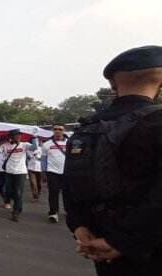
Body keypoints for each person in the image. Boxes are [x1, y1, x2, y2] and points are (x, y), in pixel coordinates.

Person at [65, 46, 162, 276]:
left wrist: (80, 226)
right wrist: (123, 241)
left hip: (97, 242)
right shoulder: (156, 123)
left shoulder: (86, 129)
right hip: (148, 248)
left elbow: (70, 185)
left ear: (113, 85)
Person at [2, 129, 37, 222]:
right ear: (11, 136)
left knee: (18, 192)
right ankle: (19, 205)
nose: (18, 136)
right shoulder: (6, 146)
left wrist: (34, 137)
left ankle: (15, 212)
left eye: (19, 135)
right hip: (9, 172)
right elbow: (2, 155)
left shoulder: (24, 144)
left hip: (20, 172)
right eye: (16, 135)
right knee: (8, 191)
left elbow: (34, 148)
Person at [42, 124, 67, 223]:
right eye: (55, 129)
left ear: (64, 131)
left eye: (60, 129)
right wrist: (43, 172)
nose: (57, 131)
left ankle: (69, 210)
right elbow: (43, 160)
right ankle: (53, 212)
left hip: (67, 172)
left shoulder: (69, 143)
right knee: (53, 193)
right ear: (52, 130)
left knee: (68, 193)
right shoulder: (47, 144)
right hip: (52, 172)